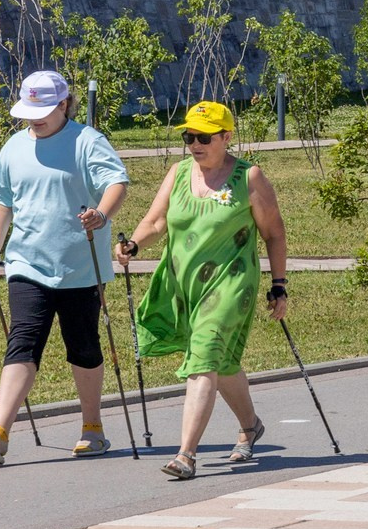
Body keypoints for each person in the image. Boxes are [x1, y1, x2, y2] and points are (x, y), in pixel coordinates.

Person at [0, 69, 130, 466]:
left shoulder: (87, 141)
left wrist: (101, 215)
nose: (33, 119)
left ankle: (92, 429)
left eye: (42, 111)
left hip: (80, 267)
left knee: (83, 345)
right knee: (23, 340)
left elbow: (116, 183)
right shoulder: (14, 147)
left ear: (64, 105)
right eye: (28, 112)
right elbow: (2, 200)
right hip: (27, 263)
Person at [119, 102, 287, 479]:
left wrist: (279, 285)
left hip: (231, 283)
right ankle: (250, 424)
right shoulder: (178, 173)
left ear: (226, 137)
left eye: (204, 137)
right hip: (184, 285)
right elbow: (156, 221)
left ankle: (186, 454)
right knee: (221, 363)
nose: (195, 144)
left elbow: (274, 233)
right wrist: (134, 244)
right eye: (189, 136)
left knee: (205, 355)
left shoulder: (249, 178)